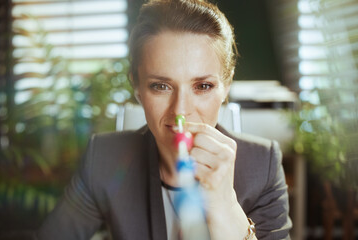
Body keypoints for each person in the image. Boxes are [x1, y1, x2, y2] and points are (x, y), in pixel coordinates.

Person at [36, 0, 292, 239]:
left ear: (226, 85)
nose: (180, 111)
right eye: (161, 86)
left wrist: (225, 207)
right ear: (137, 87)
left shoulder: (263, 166)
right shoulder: (103, 159)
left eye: (202, 86)